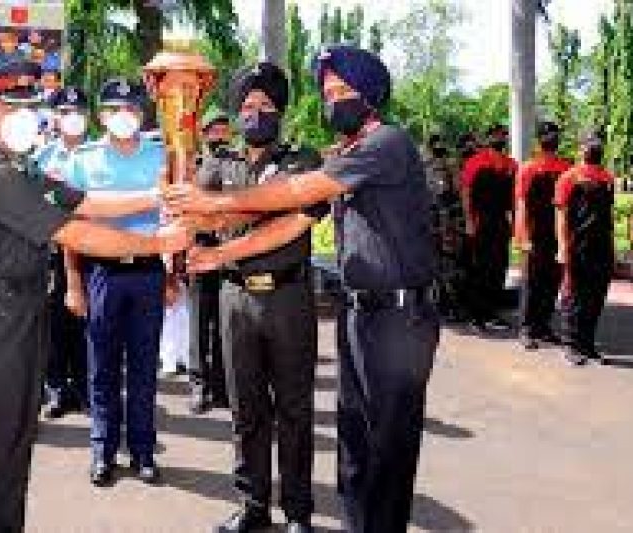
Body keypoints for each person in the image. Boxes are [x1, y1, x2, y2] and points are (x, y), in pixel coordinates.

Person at [166, 46, 440, 533]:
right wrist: (187, 212)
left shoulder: (386, 145)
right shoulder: (351, 153)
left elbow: (294, 198)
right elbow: (236, 212)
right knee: (354, 442)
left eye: (344, 92)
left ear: (371, 96)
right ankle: (289, 511)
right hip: (358, 313)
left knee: (385, 448)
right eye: (328, 92)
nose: (334, 102)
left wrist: (214, 209)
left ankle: (319, 516)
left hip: (397, 319)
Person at [0, 62, 189, 532]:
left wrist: (155, 197)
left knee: (19, 440)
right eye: (7, 109)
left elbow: (82, 200)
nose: (23, 117)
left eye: (27, 107)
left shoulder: (17, 166)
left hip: (21, 309)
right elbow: (78, 232)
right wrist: (160, 244)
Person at [186, 61, 324, 533]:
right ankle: (253, 505)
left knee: (294, 409)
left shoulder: (302, 160)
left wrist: (222, 216)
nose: (255, 113)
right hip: (234, 298)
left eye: (265, 106)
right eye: (246, 106)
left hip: (288, 297)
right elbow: (198, 217)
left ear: (280, 112)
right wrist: (184, 200)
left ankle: (299, 512)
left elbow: (293, 211)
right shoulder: (219, 162)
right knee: (245, 409)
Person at [63, 78, 167, 487]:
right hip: (101, 274)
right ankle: (102, 450)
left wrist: (172, 275)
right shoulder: (83, 160)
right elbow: (70, 226)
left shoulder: (161, 157)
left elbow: (175, 219)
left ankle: (143, 451)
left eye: (131, 109)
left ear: (142, 115)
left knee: (144, 367)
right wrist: (73, 282)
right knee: (101, 367)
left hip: (146, 272)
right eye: (114, 109)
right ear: (102, 115)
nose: (123, 116)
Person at [35, 86, 90, 419]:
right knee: (55, 320)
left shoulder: (100, 154)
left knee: (89, 320)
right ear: (55, 118)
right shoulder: (42, 158)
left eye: (77, 112)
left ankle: (86, 385)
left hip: (93, 247)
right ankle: (55, 387)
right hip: (54, 249)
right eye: (65, 112)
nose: (71, 119)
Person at [555, 132, 615, 366]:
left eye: (597, 145)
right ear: (581, 149)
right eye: (590, 145)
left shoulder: (607, 178)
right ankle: (571, 345)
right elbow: (560, 215)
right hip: (576, 245)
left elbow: (608, 216)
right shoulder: (568, 178)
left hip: (601, 247)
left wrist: (612, 248)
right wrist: (561, 247)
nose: (594, 149)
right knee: (574, 297)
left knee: (596, 296)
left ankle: (588, 344)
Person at [188, 112, 232, 414]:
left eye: (223, 131)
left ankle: (221, 385)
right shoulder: (194, 165)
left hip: (230, 247)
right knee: (199, 321)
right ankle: (199, 385)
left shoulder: (237, 163)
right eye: (213, 131)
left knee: (225, 320)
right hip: (201, 246)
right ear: (204, 134)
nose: (219, 135)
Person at [514, 121, 572, 349]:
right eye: (548, 135)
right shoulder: (528, 168)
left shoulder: (565, 167)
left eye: (555, 135)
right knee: (532, 282)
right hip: (534, 233)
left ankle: (544, 326)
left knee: (552, 281)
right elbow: (521, 203)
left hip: (555, 233)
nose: (552, 139)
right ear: (540, 139)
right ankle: (527, 329)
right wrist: (523, 236)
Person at [460, 124, 517, 333]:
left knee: (499, 267)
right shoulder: (475, 162)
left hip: (501, 221)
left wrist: (515, 222)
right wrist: (468, 221)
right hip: (480, 220)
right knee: (479, 268)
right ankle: (476, 315)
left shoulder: (511, 165)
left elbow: (513, 198)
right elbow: (466, 192)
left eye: (503, 135)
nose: (500, 138)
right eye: (496, 135)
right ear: (488, 138)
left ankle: (492, 312)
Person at [424, 133, 468, 322]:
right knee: (440, 267)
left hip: (448, 225)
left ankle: (450, 306)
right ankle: (441, 306)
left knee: (451, 267)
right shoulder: (426, 168)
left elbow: (458, 194)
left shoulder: (451, 167)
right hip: (436, 225)